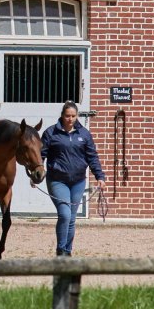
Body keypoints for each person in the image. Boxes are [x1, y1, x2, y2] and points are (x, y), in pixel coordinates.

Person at [41, 101, 105, 257]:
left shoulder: (84, 134)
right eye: (67, 116)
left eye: (73, 116)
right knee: (65, 214)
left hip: (78, 181)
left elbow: (92, 156)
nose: (70, 119)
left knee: (71, 218)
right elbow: (40, 155)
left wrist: (100, 176)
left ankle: (67, 252)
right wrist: (35, 175)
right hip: (57, 180)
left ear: (77, 116)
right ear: (62, 115)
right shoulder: (51, 133)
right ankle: (61, 250)